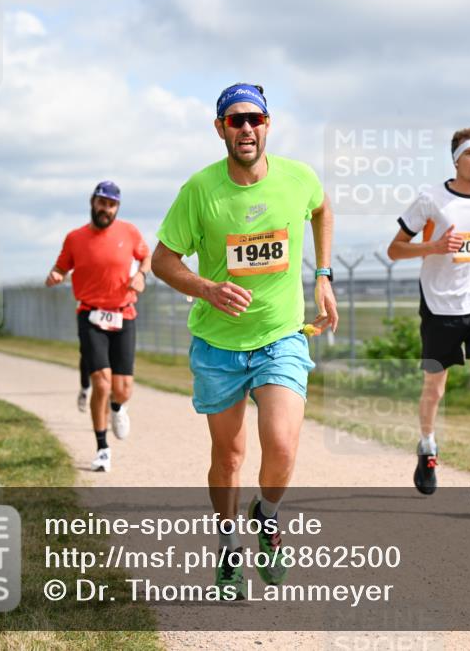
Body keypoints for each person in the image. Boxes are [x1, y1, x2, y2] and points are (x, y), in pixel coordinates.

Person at [152, 83, 338, 599]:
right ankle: (229, 546)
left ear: (268, 124)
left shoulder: (298, 178)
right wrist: (207, 289)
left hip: (280, 337)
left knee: (281, 444)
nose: (247, 128)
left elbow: (322, 209)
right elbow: (162, 260)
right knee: (229, 455)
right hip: (218, 346)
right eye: (236, 120)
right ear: (220, 129)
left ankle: (268, 515)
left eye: (255, 118)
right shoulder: (200, 190)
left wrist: (323, 275)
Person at [386, 127, 470, 504]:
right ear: (456, 160)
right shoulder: (431, 200)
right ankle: (427, 448)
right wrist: (435, 246)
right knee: (435, 388)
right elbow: (395, 250)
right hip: (439, 307)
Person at [45, 181, 151, 472]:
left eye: (112, 205)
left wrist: (141, 275)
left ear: (117, 208)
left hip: (124, 314)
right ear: (93, 202)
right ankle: (102, 448)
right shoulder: (75, 238)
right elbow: (60, 267)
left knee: (123, 389)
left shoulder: (129, 232)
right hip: (91, 315)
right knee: (101, 384)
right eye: (102, 202)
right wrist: (55, 275)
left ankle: (118, 407)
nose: (106, 209)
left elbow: (146, 256)